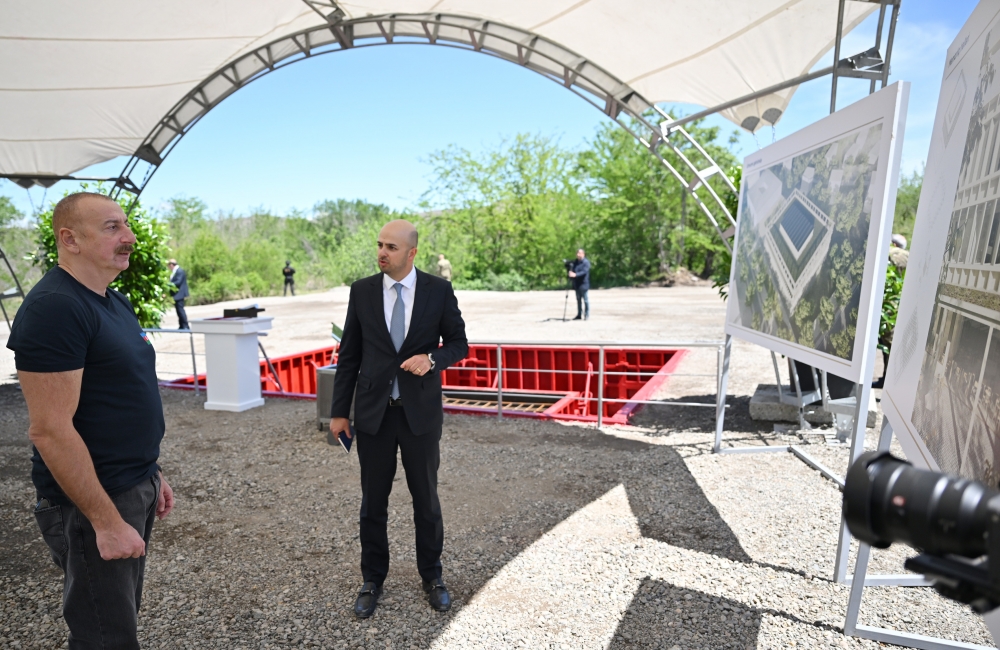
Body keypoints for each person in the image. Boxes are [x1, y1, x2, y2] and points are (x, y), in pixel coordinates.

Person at [6, 192, 175, 649]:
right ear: (70, 239)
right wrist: (106, 521)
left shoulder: (112, 300)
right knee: (104, 636)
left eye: (126, 225)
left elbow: (118, 398)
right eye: (111, 227)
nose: (129, 236)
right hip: (91, 501)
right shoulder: (55, 308)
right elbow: (50, 430)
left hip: (130, 485)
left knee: (119, 621)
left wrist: (150, 472)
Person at [329, 219, 468, 619]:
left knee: (426, 501)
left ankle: (432, 577)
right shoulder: (362, 290)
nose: (382, 252)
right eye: (379, 245)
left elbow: (458, 343)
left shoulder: (438, 290)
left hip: (419, 415)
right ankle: (372, 579)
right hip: (374, 415)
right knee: (373, 503)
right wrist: (339, 412)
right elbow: (349, 355)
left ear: (412, 253)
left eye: (391, 247)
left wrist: (432, 359)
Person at [568, 248, 590, 320]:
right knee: (578, 300)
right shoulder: (575, 262)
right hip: (577, 284)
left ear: (583, 254)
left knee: (585, 300)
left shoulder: (586, 262)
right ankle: (579, 314)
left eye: (579, 253)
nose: (578, 255)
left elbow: (584, 272)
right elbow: (572, 269)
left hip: (583, 284)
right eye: (577, 253)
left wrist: (575, 275)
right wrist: (570, 272)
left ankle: (587, 314)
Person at [167, 258, 189, 329]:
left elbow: (178, 282)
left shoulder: (179, 271)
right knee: (178, 311)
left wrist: (168, 284)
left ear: (171, 265)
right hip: (176, 295)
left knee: (180, 310)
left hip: (179, 294)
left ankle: (185, 326)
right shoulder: (175, 271)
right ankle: (181, 325)